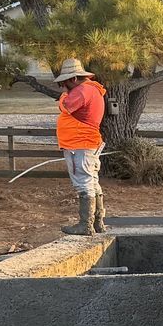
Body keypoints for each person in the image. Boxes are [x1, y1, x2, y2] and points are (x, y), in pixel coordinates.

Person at [54, 57, 108, 235]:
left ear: (73, 79)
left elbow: (66, 107)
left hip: (79, 144)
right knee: (92, 182)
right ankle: (97, 222)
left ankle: (86, 225)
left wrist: (63, 98)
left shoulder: (83, 90)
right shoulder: (92, 90)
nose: (64, 88)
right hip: (85, 143)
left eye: (65, 83)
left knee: (84, 183)